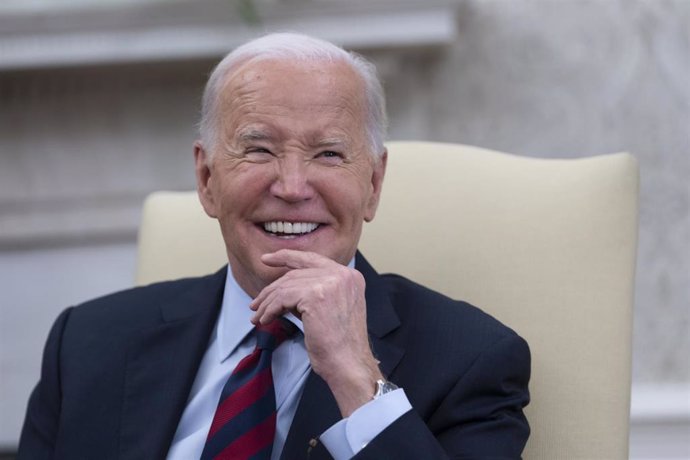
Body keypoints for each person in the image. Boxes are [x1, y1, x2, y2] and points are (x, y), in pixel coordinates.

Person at [18, 33, 530, 459]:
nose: (291, 186)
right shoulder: (86, 344)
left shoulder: (471, 360)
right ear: (206, 178)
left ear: (373, 185)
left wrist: (358, 380)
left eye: (328, 154)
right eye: (259, 150)